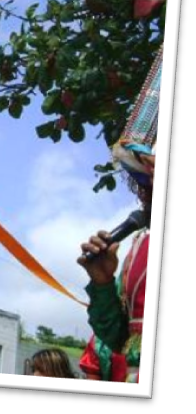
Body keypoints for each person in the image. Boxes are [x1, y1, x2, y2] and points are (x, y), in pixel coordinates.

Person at [77, 154, 154, 383]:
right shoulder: (139, 246)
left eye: (150, 181)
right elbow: (119, 340)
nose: (143, 193)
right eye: (141, 183)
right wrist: (103, 284)